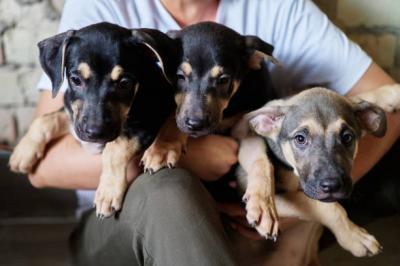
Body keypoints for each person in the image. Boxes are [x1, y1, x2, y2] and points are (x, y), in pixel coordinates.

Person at [27, 0, 398, 265]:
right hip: (118, 219)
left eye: (220, 82)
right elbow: (42, 169)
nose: (195, 110)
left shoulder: (280, 9)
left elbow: (390, 111)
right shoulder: (102, 11)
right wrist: (191, 161)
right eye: (180, 79)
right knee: (170, 187)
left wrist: (314, 193)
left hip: (239, 212)